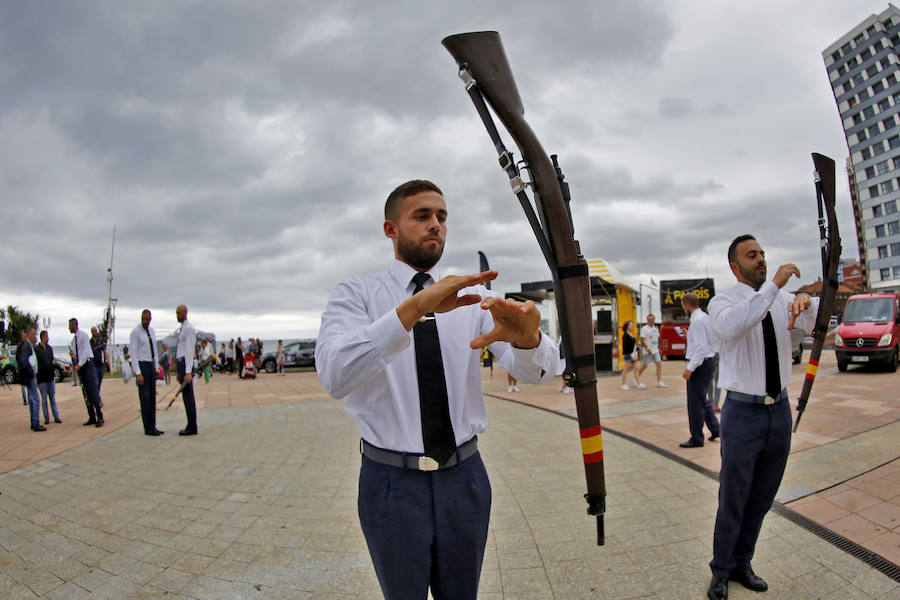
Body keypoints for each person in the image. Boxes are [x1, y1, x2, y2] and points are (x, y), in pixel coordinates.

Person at [316, 179, 559, 600]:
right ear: (391, 229)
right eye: (422, 216)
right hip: (391, 482)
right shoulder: (357, 294)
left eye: (442, 217)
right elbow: (335, 375)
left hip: (463, 478)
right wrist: (416, 308)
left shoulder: (474, 298)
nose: (436, 225)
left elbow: (540, 373)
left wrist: (527, 340)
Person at [704, 235, 817, 600]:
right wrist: (776, 286)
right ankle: (720, 571)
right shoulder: (723, 302)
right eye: (752, 255)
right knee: (733, 497)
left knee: (762, 496)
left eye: (763, 254)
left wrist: (806, 301)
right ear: (735, 267)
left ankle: (743, 562)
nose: (761, 259)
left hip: (778, 412)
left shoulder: (782, 299)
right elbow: (735, 326)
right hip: (742, 412)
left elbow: (816, 321)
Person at [679, 292, 720, 448]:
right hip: (708, 363)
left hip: (700, 365)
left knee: (695, 404)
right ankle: (716, 429)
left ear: (687, 305)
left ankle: (696, 437)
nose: (684, 309)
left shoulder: (697, 321)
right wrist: (689, 336)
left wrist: (690, 368)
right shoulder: (704, 318)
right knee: (702, 399)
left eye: (683, 306)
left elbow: (701, 349)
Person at [130, 309, 164, 436]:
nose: (145, 321)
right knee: (145, 398)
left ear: (150, 319)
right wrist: (138, 373)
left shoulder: (151, 331)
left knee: (152, 398)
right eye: (143, 319)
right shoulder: (135, 332)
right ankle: (148, 428)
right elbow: (133, 353)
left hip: (150, 365)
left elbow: (154, 350)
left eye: (147, 319)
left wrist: (156, 367)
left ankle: (153, 425)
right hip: (142, 365)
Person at [69, 318, 104, 427]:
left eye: (70, 325)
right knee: (85, 392)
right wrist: (73, 356)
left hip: (88, 365)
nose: (69, 328)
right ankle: (92, 416)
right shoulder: (73, 341)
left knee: (93, 391)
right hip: (81, 368)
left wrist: (79, 364)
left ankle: (100, 416)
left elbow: (85, 353)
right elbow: (76, 354)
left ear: (74, 325)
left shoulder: (83, 336)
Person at [175, 304, 198, 435]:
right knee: (186, 397)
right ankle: (190, 424)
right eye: (176, 313)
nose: (177, 315)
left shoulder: (188, 328)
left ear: (185, 313)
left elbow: (189, 351)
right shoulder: (183, 328)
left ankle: (192, 426)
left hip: (185, 364)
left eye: (179, 313)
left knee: (188, 397)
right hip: (181, 364)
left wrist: (188, 371)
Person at [17, 327, 44, 431]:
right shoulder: (27, 346)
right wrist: (31, 374)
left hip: (32, 376)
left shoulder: (29, 346)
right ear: (28, 335)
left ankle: (34, 422)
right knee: (35, 399)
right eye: (33, 334)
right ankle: (35, 423)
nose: (35, 336)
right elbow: (24, 361)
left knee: (33, 399)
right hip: (30, 377)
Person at [34, 330, 61, 425]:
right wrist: (37, 379)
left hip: (50, 378)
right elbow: (36, 364)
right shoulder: (37, 349)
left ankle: (56, 416)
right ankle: (46, 418)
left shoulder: (50, 348)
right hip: (42, 379)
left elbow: (51, 360)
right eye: (47, 336)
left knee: (52, 398)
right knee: (44, 400)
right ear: (43, 337)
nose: (48, 338)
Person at [638, 314, 666, 388]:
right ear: (647, 320)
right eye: (649, 319)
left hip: (655, 350)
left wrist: (658, 347)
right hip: (647, 351)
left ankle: (659, 381)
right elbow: (642, 339)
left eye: (652, 319)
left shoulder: (655, 328)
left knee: (658, 364)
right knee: (644, 365)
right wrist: (647, 348)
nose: (651, 321)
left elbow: (658, 338)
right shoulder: (644, 329)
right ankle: (636, 378)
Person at [620, 320, 645, 391]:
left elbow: (634, 344)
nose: (632, 326)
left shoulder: (631, 334)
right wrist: (628, 354)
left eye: (632, 325)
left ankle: (638, 383)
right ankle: (623, 384)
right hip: (628, 355)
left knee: (636, 369)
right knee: (626, 370)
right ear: (627, 326)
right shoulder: (625, 335)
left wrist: (638, 349)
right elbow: (625, 346)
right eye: (630, 325)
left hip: (634, 354)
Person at [90, 326, 107, 405]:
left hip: (100, 365)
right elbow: (89, 352)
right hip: (93, 366)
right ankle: (98, 400)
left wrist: (107, 360)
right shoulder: (90, 342)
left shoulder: (100, 341)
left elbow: (104, 351)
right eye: (94, 331)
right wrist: (97, 347)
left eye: (96, 331)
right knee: (96, 383)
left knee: (99, 384)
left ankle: (95, 398)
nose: (95, 332)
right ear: (91, 332)